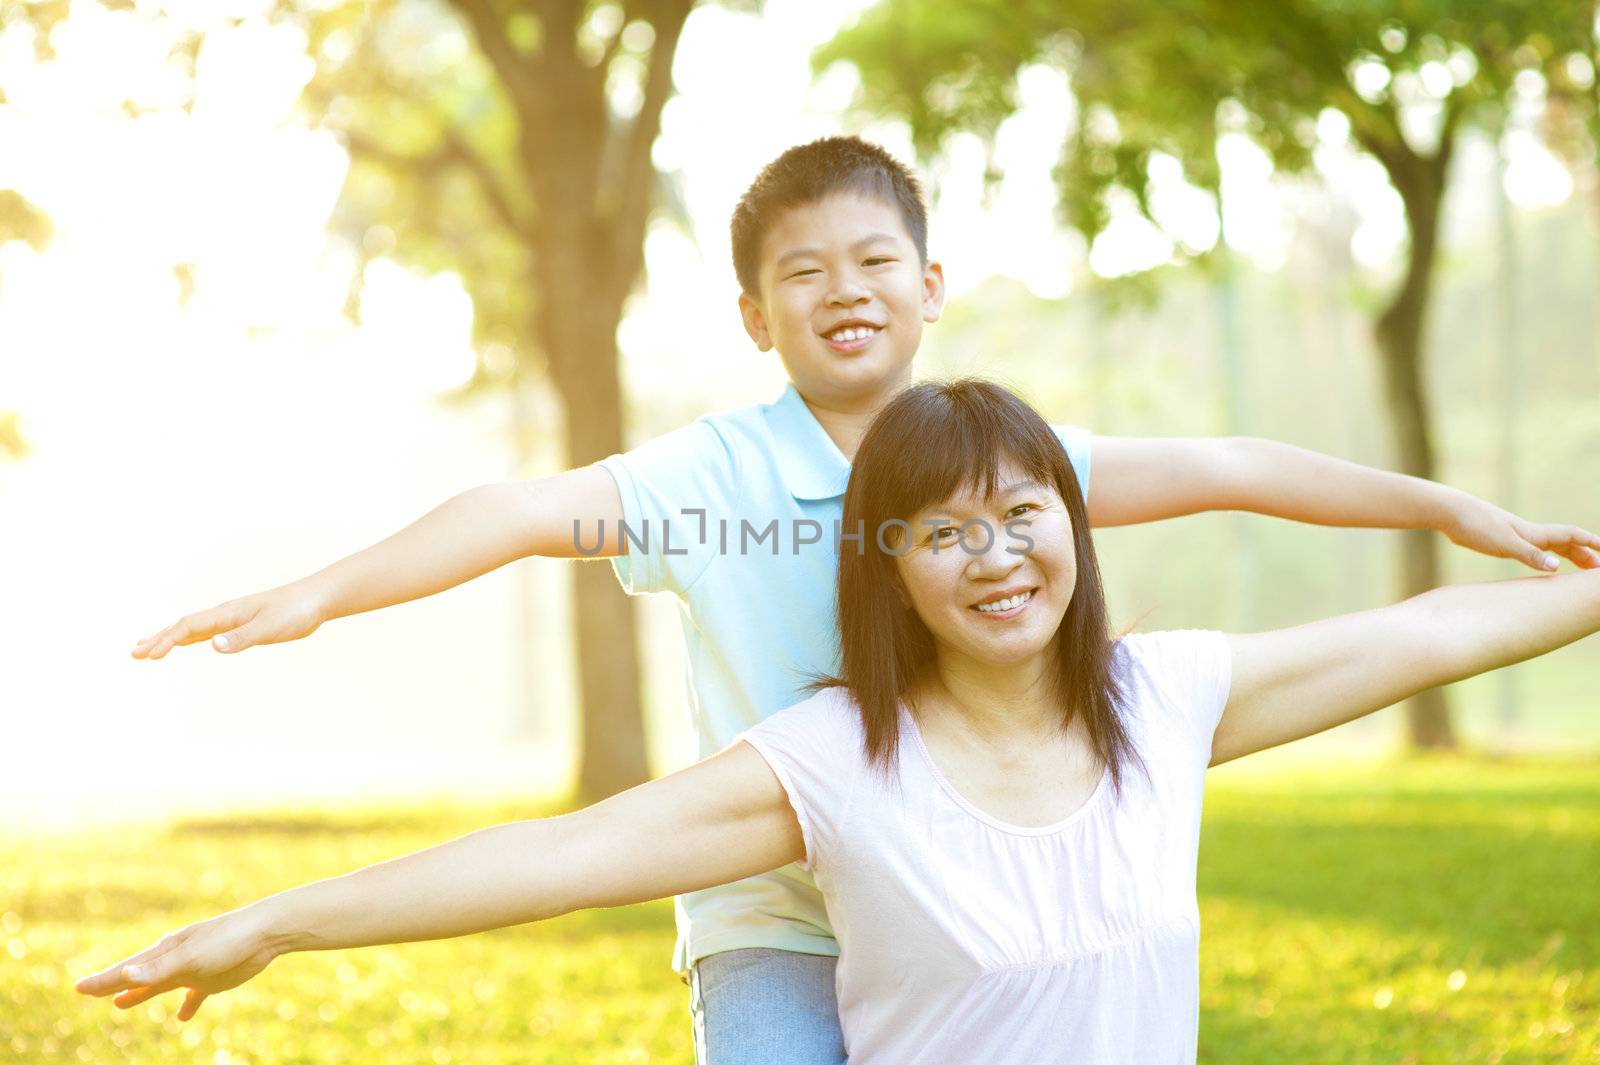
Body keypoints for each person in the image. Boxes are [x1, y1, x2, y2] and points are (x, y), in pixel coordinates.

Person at [124, 137, 1600, 1064]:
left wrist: (1449, 507)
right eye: (803, 272)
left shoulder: (1013, 467)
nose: (998, 549)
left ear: (933, 281)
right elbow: (512, 527)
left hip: (992, 844)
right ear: (754, 315)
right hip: (784, 883)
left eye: (875, 258)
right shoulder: (712, 476)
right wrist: (321, 595)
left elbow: (1233, 467)